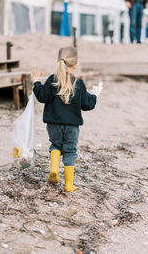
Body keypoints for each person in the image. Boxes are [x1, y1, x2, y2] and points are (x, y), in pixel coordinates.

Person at [32, 46, 102, 192]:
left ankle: (54, 171)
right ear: (75, 64)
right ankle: (69, 185)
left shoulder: (52, 80)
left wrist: (36, 82)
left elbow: (41, 97)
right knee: (70, 151)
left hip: (53, 125)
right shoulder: (79, 83)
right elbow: (87, 104)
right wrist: (95, 95)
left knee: (55, 146)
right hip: (72, 127)